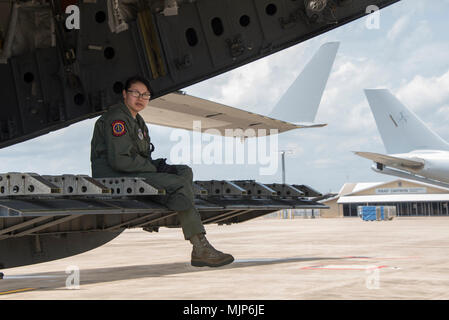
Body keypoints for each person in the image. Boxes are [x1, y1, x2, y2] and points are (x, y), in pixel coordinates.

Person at [90, 75, 234, 267]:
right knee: (181, 185)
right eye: (136, 93)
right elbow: (120, 161)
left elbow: (140, 158)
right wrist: (154, 168)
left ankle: (176, 201)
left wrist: (158, 166)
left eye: (145, 95)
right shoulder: (117, 119)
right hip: (115, 175)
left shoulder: (138, 121)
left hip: (133, 171)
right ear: (125, 94)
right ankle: (200, 247)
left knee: (184, 171)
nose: (140, 98)